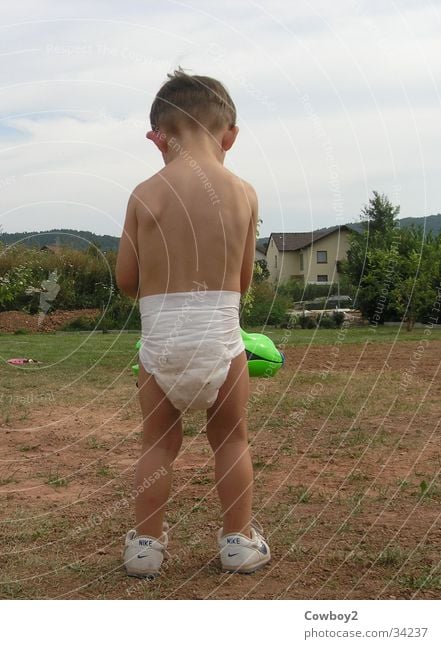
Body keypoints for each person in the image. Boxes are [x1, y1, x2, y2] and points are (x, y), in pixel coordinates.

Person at [115, 68, 270, 578]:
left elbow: (126, 280)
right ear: (229, 136)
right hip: (222, 343)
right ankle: (238, 543)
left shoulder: (144, 194)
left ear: (157, 138)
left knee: (157, 443)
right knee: (231, 439)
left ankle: (145, 547)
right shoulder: (243, 192)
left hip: (160, 347)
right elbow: (244, 280)